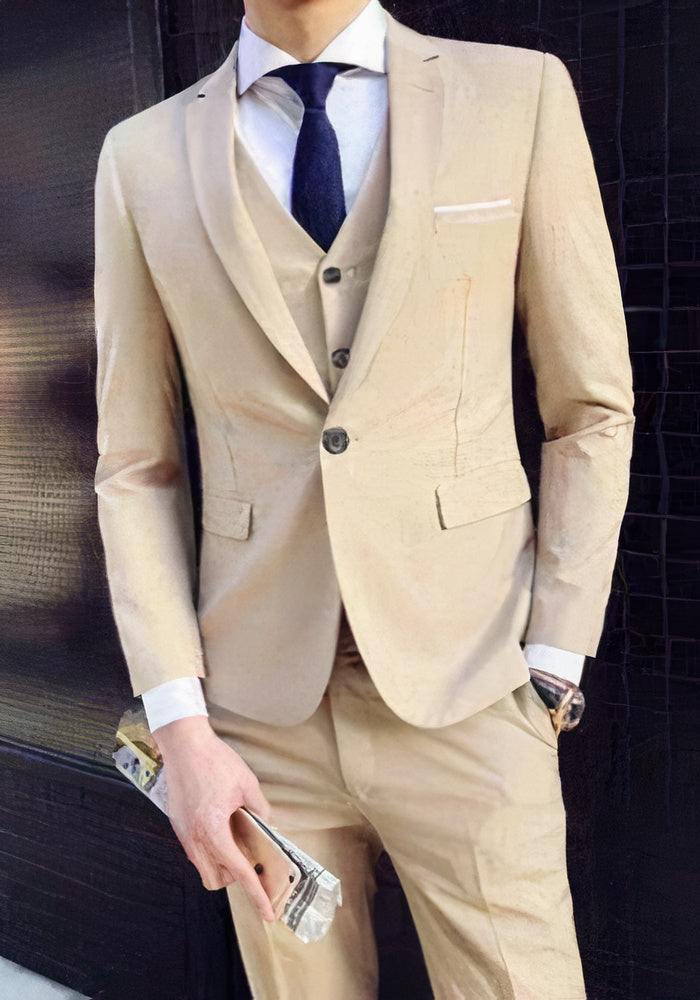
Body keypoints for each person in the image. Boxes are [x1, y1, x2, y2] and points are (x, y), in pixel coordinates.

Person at [94, 0, 634, 996]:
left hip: (473, 690)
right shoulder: (140, 157)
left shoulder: (515, 96)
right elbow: (135, 465)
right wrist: (180, 727)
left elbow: (590, 409)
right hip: (254, 719)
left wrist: (552, 666)